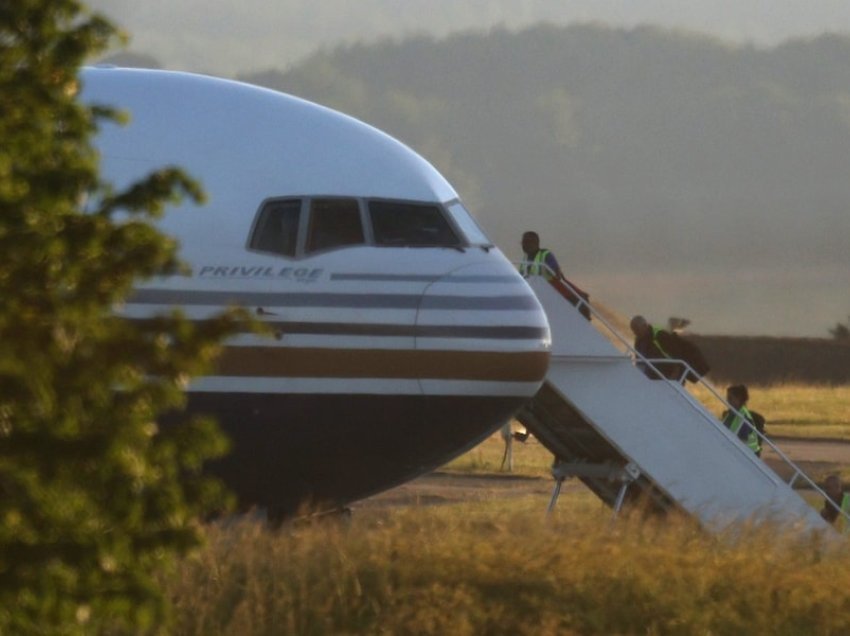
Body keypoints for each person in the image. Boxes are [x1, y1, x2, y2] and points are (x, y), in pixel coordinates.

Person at [519, 230, 591, 319]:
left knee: (579, 298)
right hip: (535, 292)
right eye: (523, 242)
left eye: (526, 242)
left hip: (551, 288)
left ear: (535, 243)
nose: (524, 245)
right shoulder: (525, 259)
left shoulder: (545, 255)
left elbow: (555, 269)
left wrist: (557, 271)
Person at [629, 315, 710, 383]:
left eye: (637, 330)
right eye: (634, 331)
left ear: (644, 326)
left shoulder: (660, 335)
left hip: (670, 375)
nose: (635, 333)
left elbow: (677, 354)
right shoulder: (639, 341)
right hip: (654, 377)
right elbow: (639, 361)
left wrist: (674, 376)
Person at [721, 384, 761, 455]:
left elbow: (743, 441)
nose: (727, 401)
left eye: (730, 398)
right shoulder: (730, 414)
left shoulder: (744, 417)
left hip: (747, 454)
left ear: (738, 399)